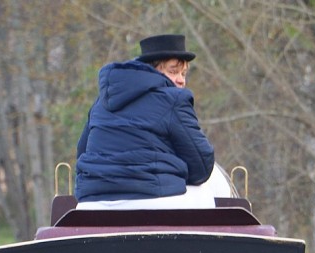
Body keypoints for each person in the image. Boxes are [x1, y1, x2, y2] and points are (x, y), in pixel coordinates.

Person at [75, 34, 227, 209]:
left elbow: (82, 153)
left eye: (183, 73)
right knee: (208, 193)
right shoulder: (174, 99)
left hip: (92, 203)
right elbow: (201, 167)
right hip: (152, 200)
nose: (181, 79)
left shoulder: (100, 104)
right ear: (151, 70)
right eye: (173, 71)